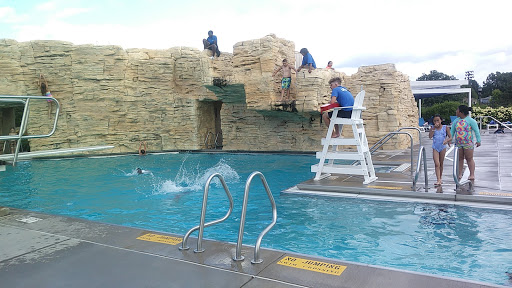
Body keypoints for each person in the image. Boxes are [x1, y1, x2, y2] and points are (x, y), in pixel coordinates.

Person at [450, 105, 481, 180]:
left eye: (457, 110)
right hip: (458, 144)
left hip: (468, 143)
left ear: (461, 112)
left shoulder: (470, 121)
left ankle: (472, 174)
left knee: (469, 158)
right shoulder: (456, 121)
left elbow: (476, 131)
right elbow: (452, 131)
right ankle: (459, 173)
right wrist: (449, 139)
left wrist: (478, 140)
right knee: (460, 159)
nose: (456, 111)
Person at [429, 114, 452, 186]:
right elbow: (430, 137)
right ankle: (438, 179)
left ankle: (440, 178)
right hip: (435, 147)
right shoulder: (432, 128)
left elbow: (450, 137)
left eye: (438, 120)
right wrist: (433, 129)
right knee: (437, 163)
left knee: (441, 163)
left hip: (442, 147)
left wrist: (447, 140)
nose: (436, 122)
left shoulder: (445, 128)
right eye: (435, 121)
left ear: (441, 120)